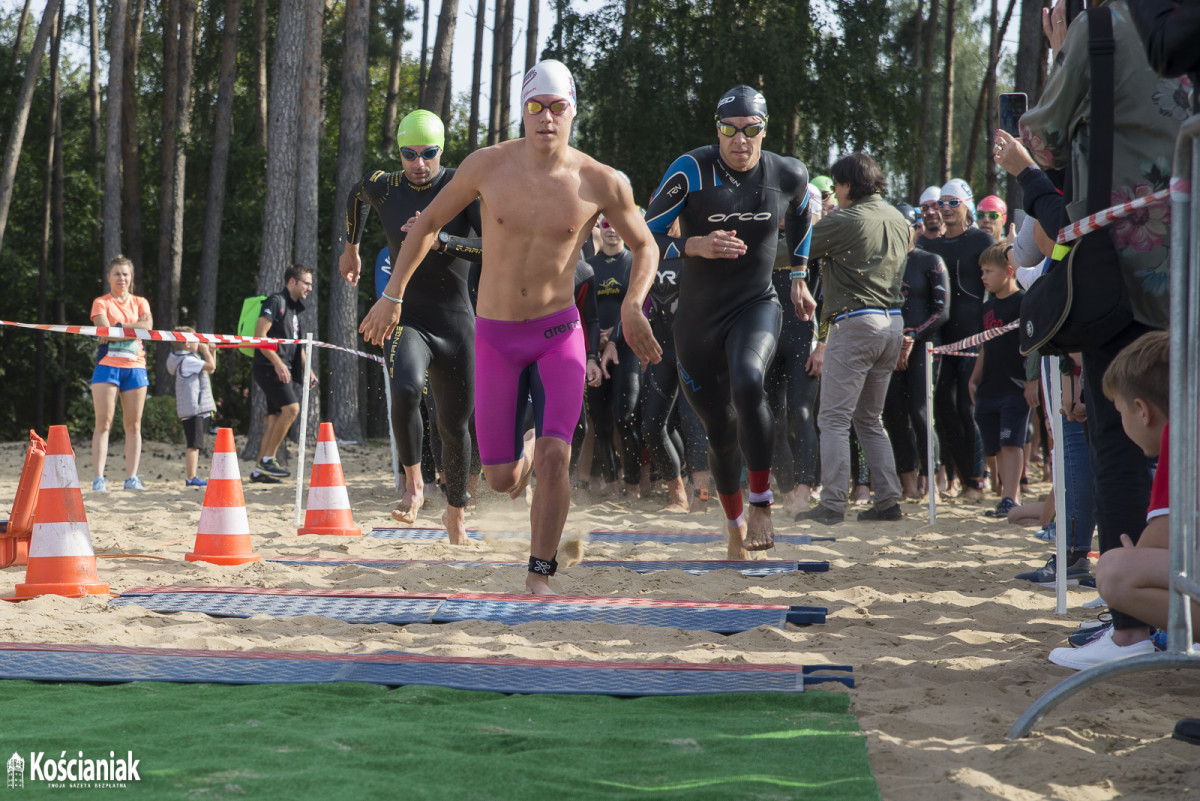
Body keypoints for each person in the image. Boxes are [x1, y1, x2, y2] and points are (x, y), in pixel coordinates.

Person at [355, 59, 661, 594]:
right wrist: (392, 294)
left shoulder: (599, 180)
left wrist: (633, 304)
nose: (546, 118)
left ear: (572, 110)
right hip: (495, 336)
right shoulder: (486, 166)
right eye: (536, 107)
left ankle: (539, 572)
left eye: (557, 107)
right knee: (499, 478)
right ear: (523, 110)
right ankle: (520, 453)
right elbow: (426, 223)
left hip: (558, 334)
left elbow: (645, 244)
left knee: (555, 454)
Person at [1021, 0, 1185, 650]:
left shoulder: (1106, 27)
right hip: (1190, 259)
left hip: (1124, 266)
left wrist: (1067, 52)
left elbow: (1048, 139)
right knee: (1181, 435)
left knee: (1122, 435)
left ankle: (1130, 625)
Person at [642, 84, 812, 556]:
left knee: (748, 380)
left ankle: (761, 502)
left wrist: (798, 276)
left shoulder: (787, 173)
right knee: (718, 430)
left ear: (763, 131)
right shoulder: (691, 169)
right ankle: (734, 525)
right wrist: (692, 245)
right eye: (729, 130)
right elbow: (645, 235)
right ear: (717, 131)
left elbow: (802, 214)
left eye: (751, 130)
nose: (740, 140)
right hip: (697, 319)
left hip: (756, 302)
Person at [340, 109, 482, 544]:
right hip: (409, 316)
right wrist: (352, 248)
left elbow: (494, 245)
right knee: (403, 387)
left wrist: (441, 239)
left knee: (454, 425)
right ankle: (414, 484)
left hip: (456, 319)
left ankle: (454, 513)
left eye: (428, 154)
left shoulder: (462, 188)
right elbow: (355, 195)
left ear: (442, 150)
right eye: (409, 154)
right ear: (398, 153)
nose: (419, 164)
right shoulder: (386, 185)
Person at [1051, 332, 1181, 670]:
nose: (1119, 423)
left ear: (1141, 411)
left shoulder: (1178, 438)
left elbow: (1163, 534)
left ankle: (1170, 634)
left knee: (1114, 571)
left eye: (1120, 412)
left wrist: (1135, 554)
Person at [794, 153, 908, 525]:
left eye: (837, 186)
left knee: (833, 419)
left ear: (845, 186)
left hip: (856, 324)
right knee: (870, 418)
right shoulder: (898, 218)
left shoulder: (845, 220)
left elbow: (790, 252)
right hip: (893, 324)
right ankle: (888, 500)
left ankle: (831, 504)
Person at [923, 178, 993, 500]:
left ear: (967, 204)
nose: (946, 208)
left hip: (974, 335)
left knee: (967, 407)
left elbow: (1001, 285)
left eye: (953, 202)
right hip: (941, 339)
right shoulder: (930, 247)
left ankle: (978, 480)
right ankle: (964, 478)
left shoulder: (982, 240)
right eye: (942, 203)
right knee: (943, 407)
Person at [883, 215, 949, 499]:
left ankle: (931, 479)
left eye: (903, 228)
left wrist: (912, 336)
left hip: (923, 344)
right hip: (890, 343)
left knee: (921, 413)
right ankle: (908, 483)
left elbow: (941, 311)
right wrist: (897, 339)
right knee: (893, 414)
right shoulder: (883, 261)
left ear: (917, 229)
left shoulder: (930, 260)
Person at [968, 243, 1029, 517]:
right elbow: (983, 347)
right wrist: (974, 379)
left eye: (988, 271)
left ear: (1008, 271)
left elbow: (1032, 346)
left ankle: (1010, 497)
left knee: (1011, 442)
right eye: (981, 271)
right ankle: (1008, 497)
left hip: (1015, 386)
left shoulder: (1023, 302)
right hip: (989, 387)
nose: (983, 276)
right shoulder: (987, 307)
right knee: (995, 447)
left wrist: (1033, 380)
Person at [587, 216, 644, 499]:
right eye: (605, 225)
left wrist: (615, 336)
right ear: (598, 229)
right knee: (601, 422)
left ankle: (632, 482)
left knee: (625, 417)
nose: (612, 230)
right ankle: (611, 484)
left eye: (617, 223)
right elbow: (584, 308)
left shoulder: (634, 262)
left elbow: (638, 305)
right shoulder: (589, 266)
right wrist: (594, 338)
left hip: (627, 349)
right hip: (594, 351)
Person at [89, 255, 152, 492]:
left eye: (125, 274)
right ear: (108, 277)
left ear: (131, 277)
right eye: (117, 274)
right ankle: (98, 479)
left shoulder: (141, 302)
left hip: (135, 367)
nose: (121, 278)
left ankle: (132, 478)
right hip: (107, 366)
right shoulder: (101, 302)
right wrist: (129, 329)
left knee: (133, 425)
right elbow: (104, 330)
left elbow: (147, 328)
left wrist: (116, 329)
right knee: (103, 423)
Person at [250, 264, 316, 484]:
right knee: (292, 409)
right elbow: (260, 337)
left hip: (282, 367)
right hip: (268, 366)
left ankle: (260, 471)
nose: (310, 288)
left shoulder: (296, 309)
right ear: (292, 282)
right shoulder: (275, 301)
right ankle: (268, 460)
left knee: (275, 417)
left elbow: (298, 345)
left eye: (311, 284)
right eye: (306, 283)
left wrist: (309, 370)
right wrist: (278, 363)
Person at [166, 327, 216, 488]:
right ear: (187, 343)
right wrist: (205, 350)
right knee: (193, 445)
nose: (198, 342)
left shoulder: (186, 360)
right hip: (193, 408)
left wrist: (210, 351)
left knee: (194, 443)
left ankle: (192, 476)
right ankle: (191, 477)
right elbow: (210, 366)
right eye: (196, 340)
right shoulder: (188, 361)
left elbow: (210, 368)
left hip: (190, 407)